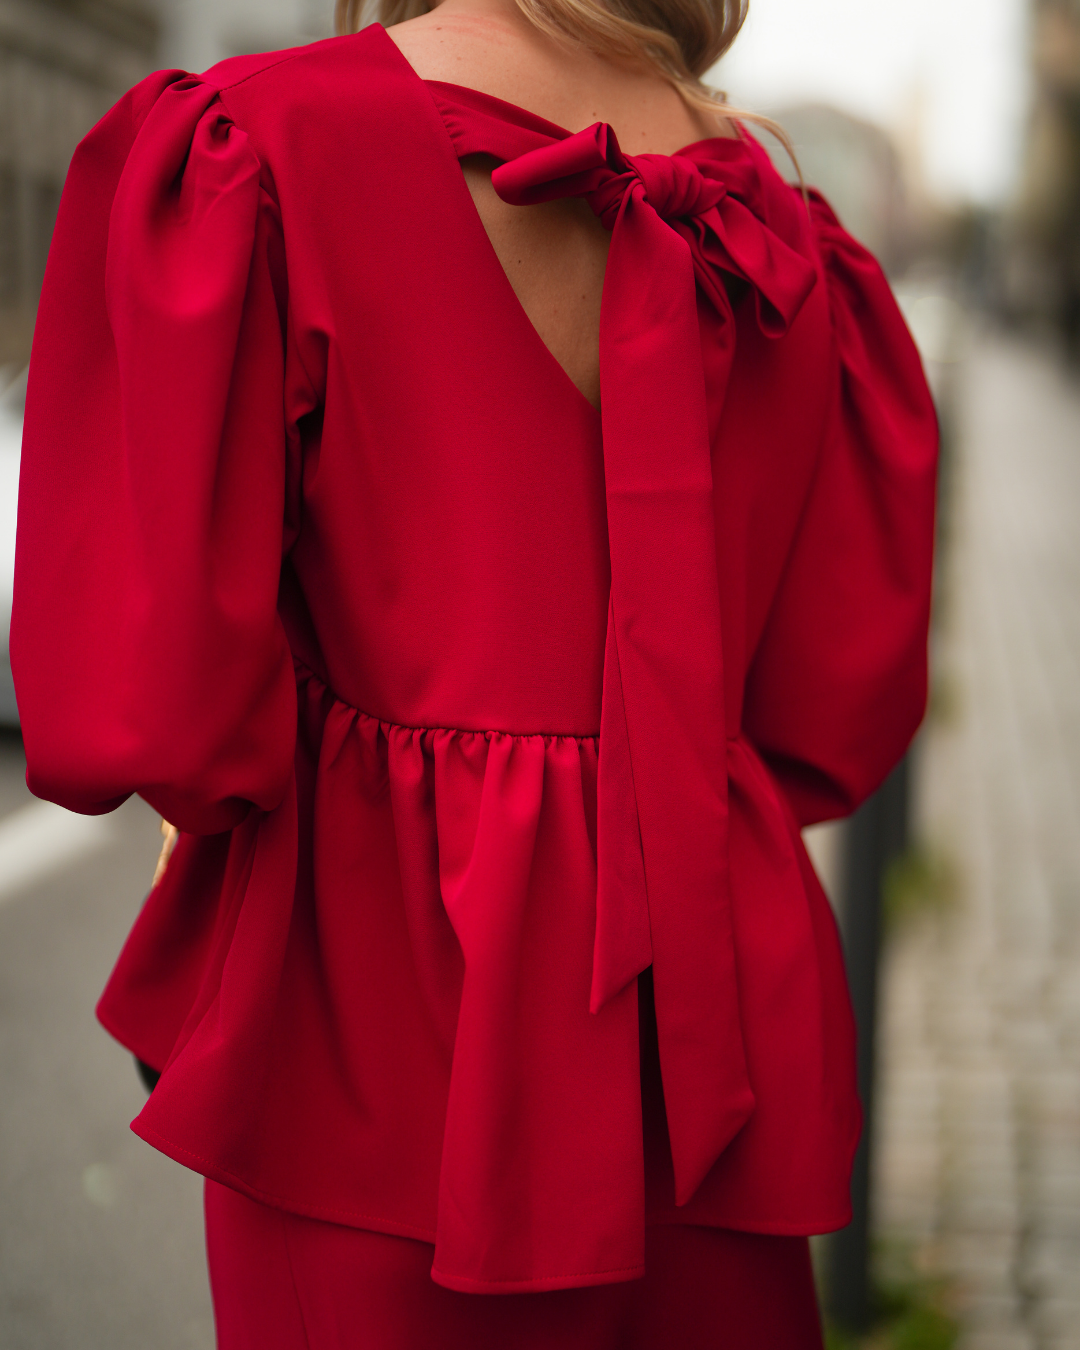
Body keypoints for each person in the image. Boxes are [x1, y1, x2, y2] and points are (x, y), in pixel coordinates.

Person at [10, 0, 938, 1342]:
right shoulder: (789, 237)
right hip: (704, 1039)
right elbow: (830, 708)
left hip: (380, 1031)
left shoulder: (273, 146)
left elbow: (155, 700)